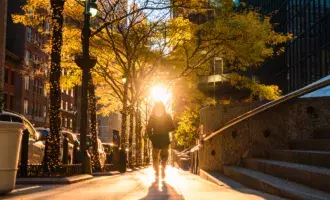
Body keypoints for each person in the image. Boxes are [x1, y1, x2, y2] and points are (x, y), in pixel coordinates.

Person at [147, 101, 175, 180]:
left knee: (155, 157)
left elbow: (148, 128)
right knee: (164, 156)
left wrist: (151, 137)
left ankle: (156, 171)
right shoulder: (167, 116)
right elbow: (173, 127)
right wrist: (166, 129)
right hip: (165, 138)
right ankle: (163, 167)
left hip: (155, 138)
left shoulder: (152, 117)